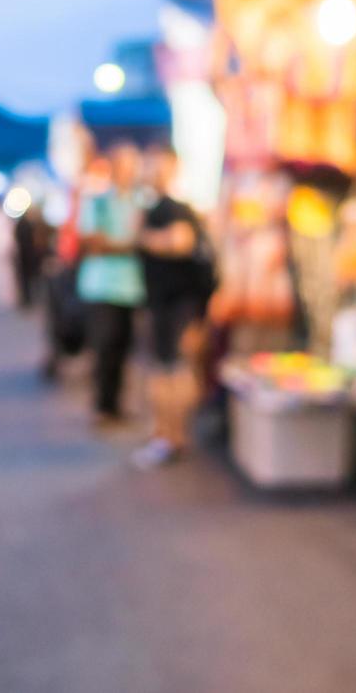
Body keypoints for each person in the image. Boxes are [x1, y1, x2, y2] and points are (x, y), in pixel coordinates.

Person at [133, 146, 215, 469]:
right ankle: (169, 435)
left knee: (170, 370)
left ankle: (170, 436)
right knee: (169, 368)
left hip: (176, 304)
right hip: (173, 303)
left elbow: (180, 243)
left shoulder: (172, 209)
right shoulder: (162, 207)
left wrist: (143, 237)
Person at [77, 142, 145, 424]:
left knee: (123, 348)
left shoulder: (141, 201)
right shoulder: (99, 201)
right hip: (102, 287)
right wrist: (132, 245)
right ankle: (103, 406)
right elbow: (93, 242)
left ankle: (116, 404)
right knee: (105, 348)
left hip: (131, 288)